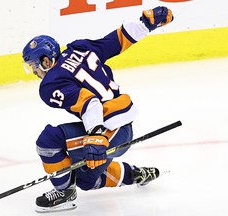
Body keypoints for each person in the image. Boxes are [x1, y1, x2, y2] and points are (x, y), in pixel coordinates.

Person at [22, 6, 173, 213]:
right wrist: (146, 23)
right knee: (81, 174)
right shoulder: (79, 48)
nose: (34, 72)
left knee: (55, 148)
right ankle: (136, 174)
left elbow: (89, 102)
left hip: (111, 128)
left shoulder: (50, 84)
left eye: (34, 66)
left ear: (46, 61)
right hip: (115, 125)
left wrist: (96, 135)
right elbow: (116, 41)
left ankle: (65, 193)